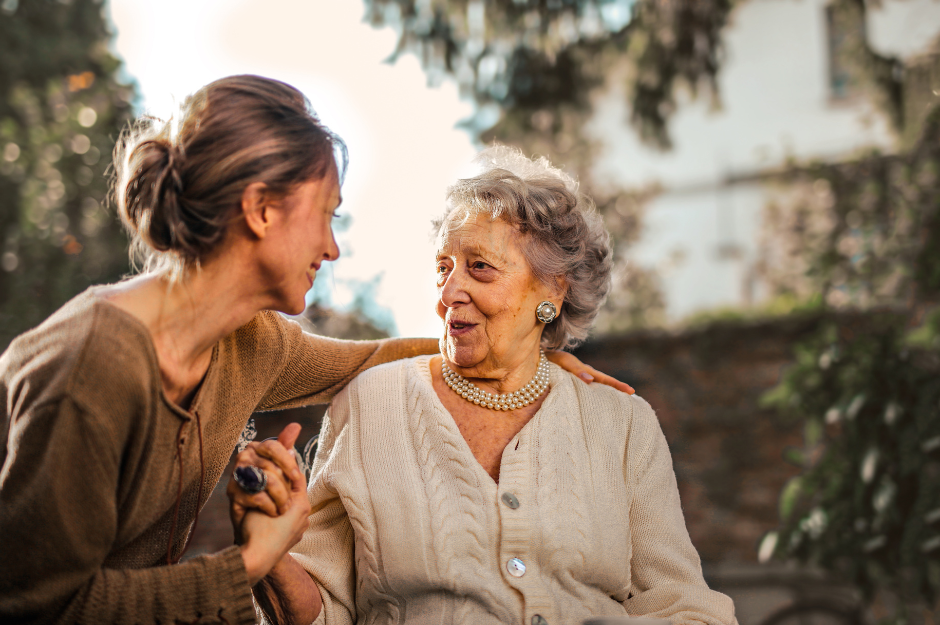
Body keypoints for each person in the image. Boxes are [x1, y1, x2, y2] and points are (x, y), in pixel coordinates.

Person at [0, 77, 626, 625]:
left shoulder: (247, 342)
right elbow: (38, 605)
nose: (331, 248)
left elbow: (368, 359)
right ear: (261, 210)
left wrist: (520, 350)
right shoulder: (92, 368)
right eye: (325, 215)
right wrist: (252, 561)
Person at [242, 146, 738, 625]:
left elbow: (682, 604)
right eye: (443, 268)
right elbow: (318, 613)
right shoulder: (369, 405)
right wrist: (269, 555)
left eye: (480, 267)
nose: (449, 293)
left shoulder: (623, 423)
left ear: (552, 289)